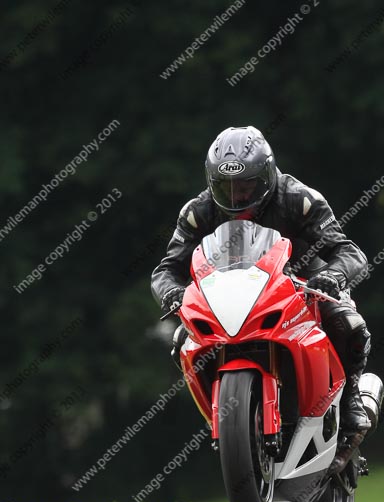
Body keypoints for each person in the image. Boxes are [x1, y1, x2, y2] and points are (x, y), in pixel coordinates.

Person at [151, 125, 371, 474]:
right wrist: (172, 294)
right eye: (227, 187)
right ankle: (225, 419)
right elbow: (166, 269)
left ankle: (354, 398)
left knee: (347, 322)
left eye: (247, 185)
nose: (237, 196)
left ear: (267, 175)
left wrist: (331, 276)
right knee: (182, 342)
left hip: (299, 287)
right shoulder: (198, 212)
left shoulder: (298, 199)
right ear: (212, 182)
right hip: (226, 296)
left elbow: (349, 251)